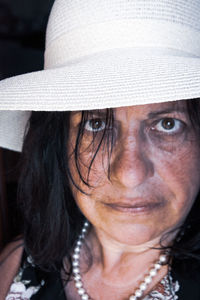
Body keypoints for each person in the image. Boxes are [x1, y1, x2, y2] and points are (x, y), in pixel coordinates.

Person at [0, 0, 200, 299]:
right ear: (59, 145)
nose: (129, 173)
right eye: (95, 125)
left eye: (168, 124)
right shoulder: (17, 265)